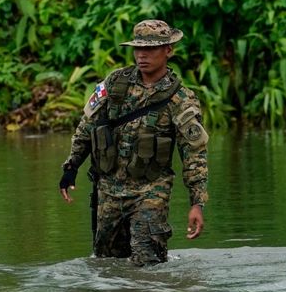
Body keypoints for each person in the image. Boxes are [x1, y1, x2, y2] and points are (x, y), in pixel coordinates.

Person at [59, 19, 209, 265]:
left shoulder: (181, 99)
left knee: (147, 264)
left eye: (150, 49)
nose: (142, 55)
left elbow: (194, 154)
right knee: (106, 264)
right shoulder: (115, 83)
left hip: (151, 190)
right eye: (138, 49)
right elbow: (87, 124)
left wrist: (197, 203)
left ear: (168, 50)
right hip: (108, 190)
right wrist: (71, 167)